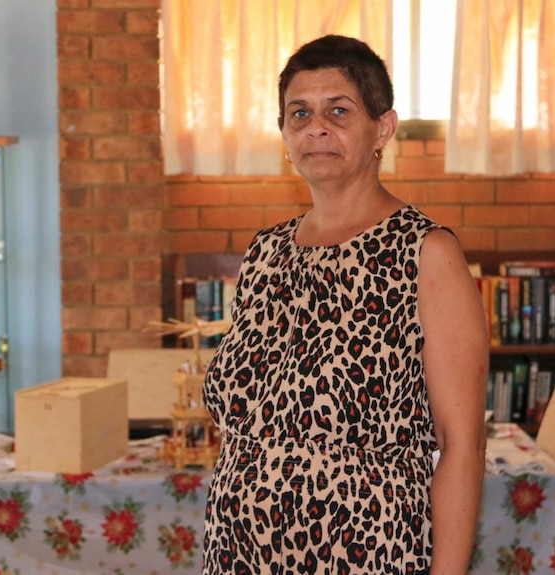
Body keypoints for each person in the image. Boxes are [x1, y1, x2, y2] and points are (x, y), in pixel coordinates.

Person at [202, 34, 488, 575]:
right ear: (284, 133)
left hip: (366, 555)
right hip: (239, 556)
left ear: (382, 128)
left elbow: (463, 446)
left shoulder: (426, 253)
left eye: (338, 111)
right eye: (299, 113)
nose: (316, 128)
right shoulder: (264, 253)